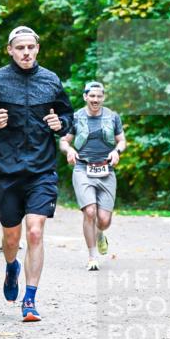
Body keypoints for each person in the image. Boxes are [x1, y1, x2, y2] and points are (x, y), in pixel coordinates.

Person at [0, 26, 73, 322]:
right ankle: (11, 267)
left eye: (31, 47)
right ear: (10, 50)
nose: (26, 52)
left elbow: (67, 116)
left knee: (35, 231)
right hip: (6, 170)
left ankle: (30, 300)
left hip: (41, 169)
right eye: (20, 48)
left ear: (38, 48)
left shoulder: (51, 80)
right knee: (11, 238)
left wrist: (59, 124)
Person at [60, 81, 125, 271]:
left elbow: (121, 140)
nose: (95, 99)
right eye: (92, 96)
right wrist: (69, 150)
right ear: (85, 97)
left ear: (103, 97)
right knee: (90, 212)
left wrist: (117, 152)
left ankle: (99, 234)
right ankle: (92, 257)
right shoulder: (76, 117)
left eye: (99, 96)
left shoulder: (113, 117)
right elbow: (64, 141)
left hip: (106, 170)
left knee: (104, 220)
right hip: (83, 169)